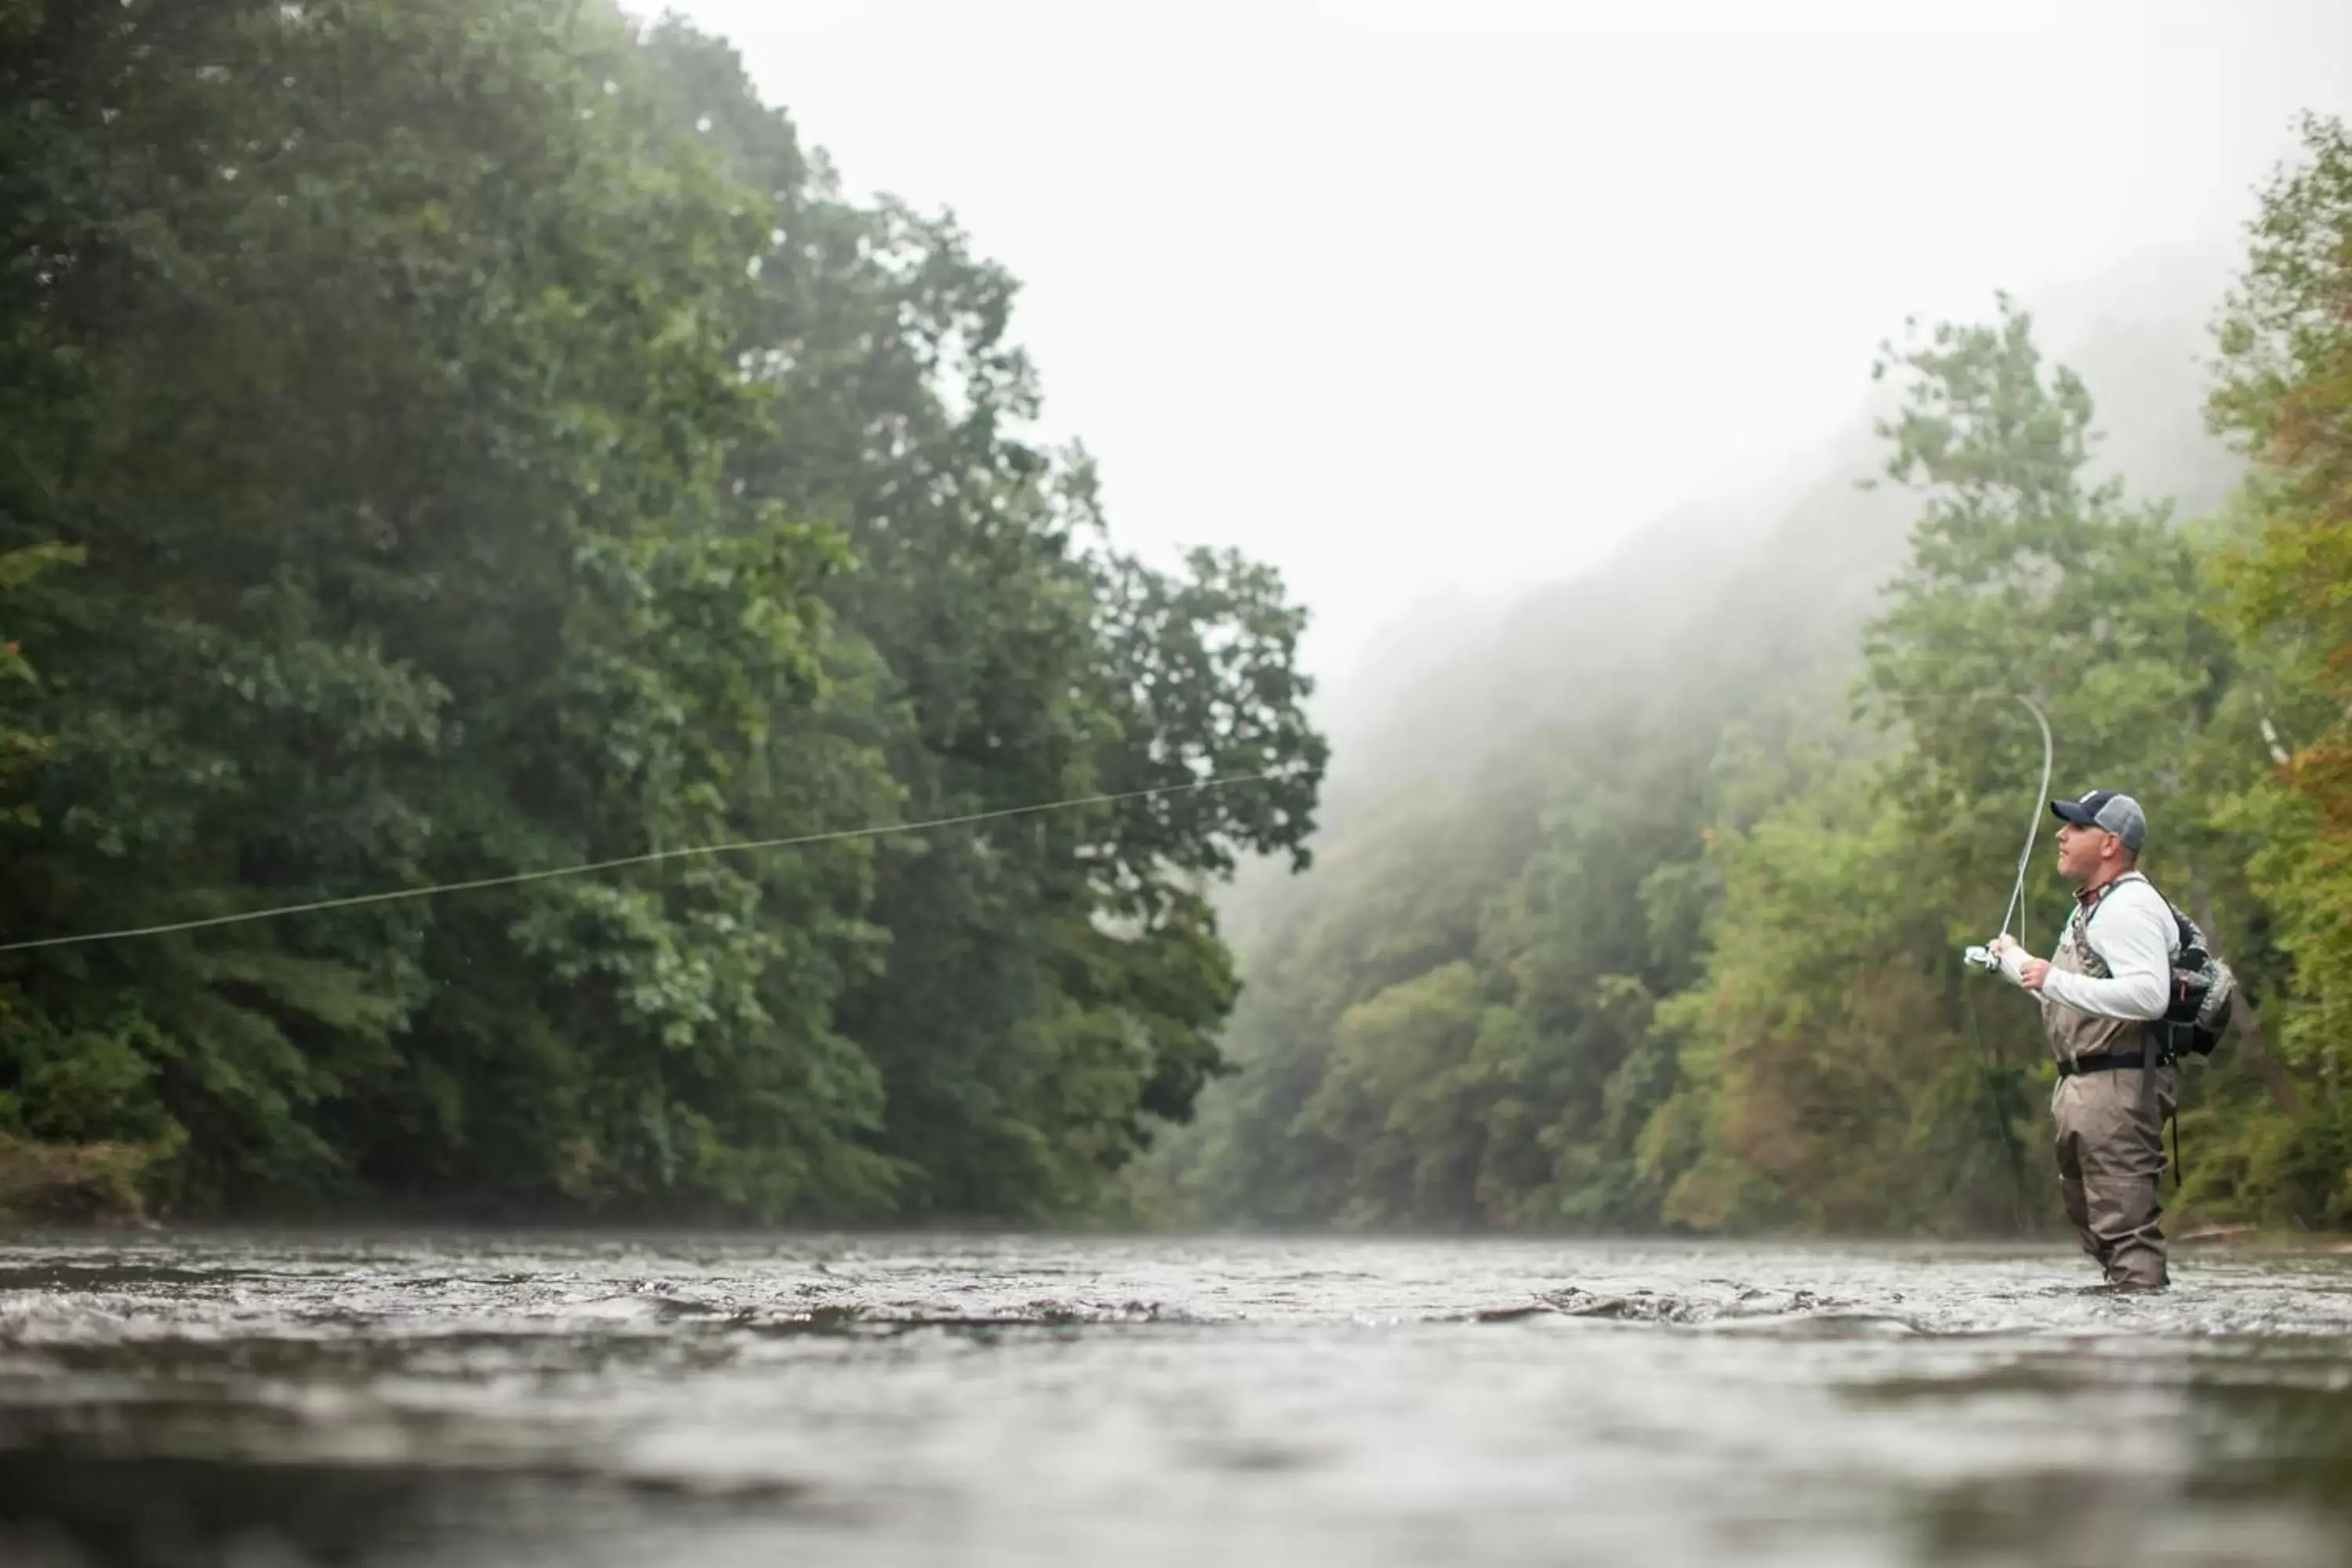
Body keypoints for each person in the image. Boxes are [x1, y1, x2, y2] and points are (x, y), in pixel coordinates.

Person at [1987, 788, 2180, 1291]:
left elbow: (2150, 996)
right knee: (2097, 1226)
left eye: (2075, 827)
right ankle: (2122, 1329)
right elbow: (2073, 994)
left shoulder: (2129, 906)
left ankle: (2142, 1348)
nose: (2061, 834)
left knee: (2126, 1233)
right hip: (2083, 1087)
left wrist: (2051, 978)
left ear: (2110, 843)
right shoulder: (2092, 908)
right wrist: (2016, 963)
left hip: (2118, 1086)